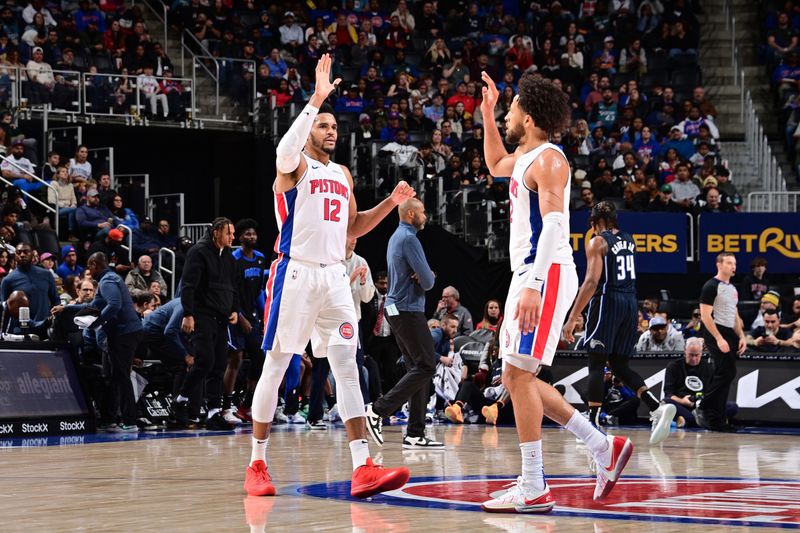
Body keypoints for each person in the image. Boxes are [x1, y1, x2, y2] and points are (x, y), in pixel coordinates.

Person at [244, 55, 412, 500]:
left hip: (335, 277)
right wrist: (315, 98)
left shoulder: (341, 173)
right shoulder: (294, 165)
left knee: (347, 369)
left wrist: (390, 204)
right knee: (277, 366)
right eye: (323, 124)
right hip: (295, 272)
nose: (331, 130)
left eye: (334, 125)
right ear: (309, 129)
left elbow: (353, 227)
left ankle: (363, 468)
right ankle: (256, 462)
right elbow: (282, 152)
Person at [479, 71, 632, 513]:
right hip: (531, 273)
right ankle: (602, 447)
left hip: (541, 273)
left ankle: (533, 485)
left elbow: (555, 226)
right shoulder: (525, 158)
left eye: (509, 109)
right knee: (518, 375)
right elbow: (494, 164)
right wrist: (488, 115)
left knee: (518, 376)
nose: (507, 114)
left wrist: (532, 283)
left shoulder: (549, 159)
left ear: (528, 117)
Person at [562, 202, 676, 445]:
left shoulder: (597, 242)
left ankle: (592, 425)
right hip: (630, 302)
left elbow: (592, 282)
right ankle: (656, 407)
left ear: (594, 222)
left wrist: (572, 318)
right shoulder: (629, 239)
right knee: (619, 365)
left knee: (596, 361)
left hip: (608, 300)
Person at [364, 198, 443, 449]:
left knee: (417, 369)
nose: (426, 216)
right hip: (407, 309)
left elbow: (426, 277)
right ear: (410, 214)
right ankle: (378, 410)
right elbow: (429, 283)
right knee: (427, 365)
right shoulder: (410, 239)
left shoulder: (396, 236)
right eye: (422, 212)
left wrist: (426, 274)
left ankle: (414, 433)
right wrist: (427, 275)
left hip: (397, 308)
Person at [170, 218, 240, 431]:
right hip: (201, 315)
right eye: (229, 233)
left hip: (221, 318)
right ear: (217, 232)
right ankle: (180, 401)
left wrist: (235, 309)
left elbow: (233, 286)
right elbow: (188, 285)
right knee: (205, 361)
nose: (232, 237)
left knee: (219, 364)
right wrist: (188, 314)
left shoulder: (228, 256)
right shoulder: (198, 252)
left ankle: (212, 413)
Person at [87, 252, 143, 432]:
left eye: (89, 267)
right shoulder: (111, 278)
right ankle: (110, 418)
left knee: (121, 376)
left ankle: (130, 420)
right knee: (112, 377)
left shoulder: (107, 281)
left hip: (124, 333)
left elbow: (114, 304)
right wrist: (67, 308)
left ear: (95, 264)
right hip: (124, 332)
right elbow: (93, 306)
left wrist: (97, 322)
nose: (89, 271)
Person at [695, 253, 747, 432]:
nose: (733, 266)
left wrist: (742, 336)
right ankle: (703, 406)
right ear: (719, 265)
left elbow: (735, 314)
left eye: (735, 263)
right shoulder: (711, 286)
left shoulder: (732, 288)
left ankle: (717, 420)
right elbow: (705, 316)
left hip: (730, 332)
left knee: (725, 374)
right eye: (729, 263)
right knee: (727, 372)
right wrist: (718, 338)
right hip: (715, 331)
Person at [225, 219, 268, 426]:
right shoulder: (234, 259)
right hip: (235, 314)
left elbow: (260, 290)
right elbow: (230, 291)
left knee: (260, 358)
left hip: (253, 316)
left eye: (254, 234)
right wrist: (240, 316)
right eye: (247, 234)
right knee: (236, 358)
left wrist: (264, 316)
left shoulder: (260, 259)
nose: (251, 237)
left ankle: (248, 404)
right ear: (240, 238)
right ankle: (226, 405)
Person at [663, 338, 738, 428]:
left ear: (701, 352)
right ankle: (699, 420)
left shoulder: (708, 367)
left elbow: (713, 392)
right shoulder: (674, 366)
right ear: (685, 350)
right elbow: (668, 393)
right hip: (683, 404)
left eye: (697, 355)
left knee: (732, 406)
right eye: (691, 355)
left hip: (702, 406)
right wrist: (682, 401)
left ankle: (688, 420)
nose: (694, 358)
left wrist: (705, 401)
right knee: (666, 403)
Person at [0, 242, 59, 339]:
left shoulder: (46, 275)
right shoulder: (8, 280)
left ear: (32, 254)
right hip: (19, 332)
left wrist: (53, 319)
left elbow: (56, 301)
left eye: (25, 252)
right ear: (15, 255)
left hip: (44, 329)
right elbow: (4, 309)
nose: (22, 255)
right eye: (19, 252)